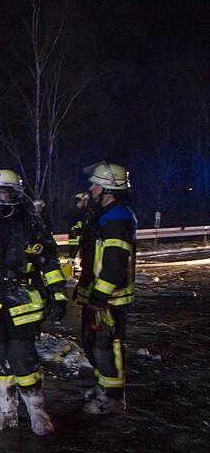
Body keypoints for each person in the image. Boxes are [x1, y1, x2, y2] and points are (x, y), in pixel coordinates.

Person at [0, 169, 68, 435]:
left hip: (23, 301)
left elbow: (50, 264)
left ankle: (37, 413)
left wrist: (58, 296)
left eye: (4, 192)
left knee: (22, 359)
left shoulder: (32, 224)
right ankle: (4, 413)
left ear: (16, 195)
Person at [75, 162, 136, 414]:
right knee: (92, 342)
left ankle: (112, 397)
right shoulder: (106, 215)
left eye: (95, 184)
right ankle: (103, 385)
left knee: (107, 345)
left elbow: (114, 265)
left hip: (109, 298)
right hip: (99, 295)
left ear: (108, 188)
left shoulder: (116, 219)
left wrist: (100, 295)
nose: (91, 188)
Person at [67, 192, 90, 262]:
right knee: (73, 250)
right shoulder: (72, 211)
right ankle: (70, 266)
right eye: (84, 200)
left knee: (84, 252)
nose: (86, 202)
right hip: (75, 235)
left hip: (82, 235)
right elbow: (72, 223)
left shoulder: (84, 211)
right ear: (79, 200)